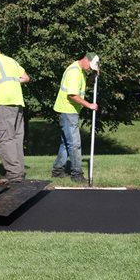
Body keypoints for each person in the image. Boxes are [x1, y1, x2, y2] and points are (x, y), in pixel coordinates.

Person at [0, 42, 30, 184]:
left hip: (4, 102)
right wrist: (12, 83)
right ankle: (19, 171)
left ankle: (13, 174)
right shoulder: (11, 61)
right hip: (18, 102)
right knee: (16, 139)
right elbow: (26, 78)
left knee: (4, 138)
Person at [52, 52, 99, 182]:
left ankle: (57, 170)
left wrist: (93, 76)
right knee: (74, 144)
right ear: (85, 60)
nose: (90, 69)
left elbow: (82, 85)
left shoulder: (80, 70)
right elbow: (72, 95)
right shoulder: (74, 72)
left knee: (66, 143)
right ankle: (76, 174)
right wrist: (89, 105)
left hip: (68, 110)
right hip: (68, 110)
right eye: (90, 66)